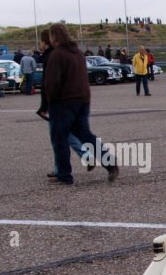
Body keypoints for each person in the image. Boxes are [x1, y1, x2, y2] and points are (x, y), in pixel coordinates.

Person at [43, 23, 118, 185]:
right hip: (82, 100)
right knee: (86, 135)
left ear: (54, 36)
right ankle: (110, 164)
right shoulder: (78, 53)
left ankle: (64, 175)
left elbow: (52, 82)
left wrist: (50, 99)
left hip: (63, 102)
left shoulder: (57, 55)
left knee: (60, 138)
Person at [36, 28, 84, 178]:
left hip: (59, 103)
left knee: (59, 137)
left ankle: (65, 168)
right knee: (61, 136)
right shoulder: (67, 53)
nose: (40, 44)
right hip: (69, 100)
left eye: (41, 41)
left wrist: (45, 106)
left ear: (46, 41)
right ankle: (61, 168)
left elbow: (48, 84)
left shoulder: (52, 56)